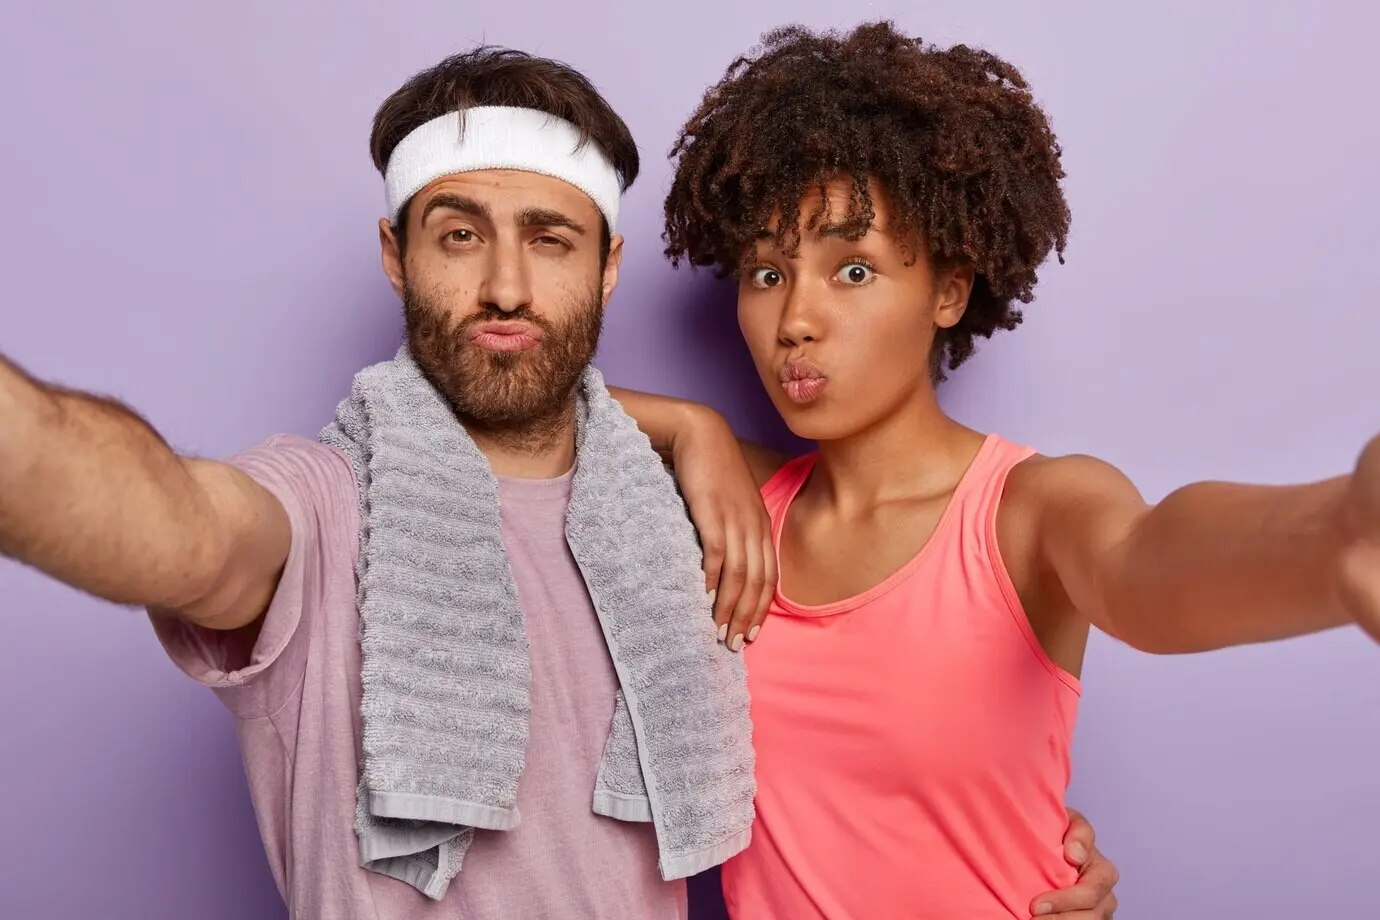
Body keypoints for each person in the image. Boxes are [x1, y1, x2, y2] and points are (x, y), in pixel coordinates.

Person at [0, 45, 1123, 920]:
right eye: (457, 234)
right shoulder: (332, 507)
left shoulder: (675, 528)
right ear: (396, 253)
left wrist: (1017, 852)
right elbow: (177, 524)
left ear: (607, 266)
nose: (502, 284)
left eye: (547, 238)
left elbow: (897, 732)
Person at [632, 20, 1378, 920]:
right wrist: (691, 425)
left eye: (854, 270)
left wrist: (1337, 535)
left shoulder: (1026, 510)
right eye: (764, 273)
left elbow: (1148, 563)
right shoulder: (736, 506)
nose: (796, 318)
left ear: (948, 290)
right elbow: (492, 408)